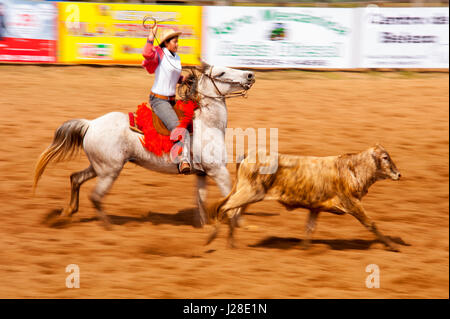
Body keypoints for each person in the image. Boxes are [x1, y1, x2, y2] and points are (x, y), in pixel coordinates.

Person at [142, 24, 191, 174]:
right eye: (174, 41)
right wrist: (151, 35)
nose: (177, 44)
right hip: (158, 100)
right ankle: (182, 160)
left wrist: (183, 80)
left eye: (177, 41)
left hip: (171, 100)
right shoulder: (159, 53)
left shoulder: (177, 57)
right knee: (179, 128)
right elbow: (146, 53)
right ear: (166, 43)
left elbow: (172, 76)